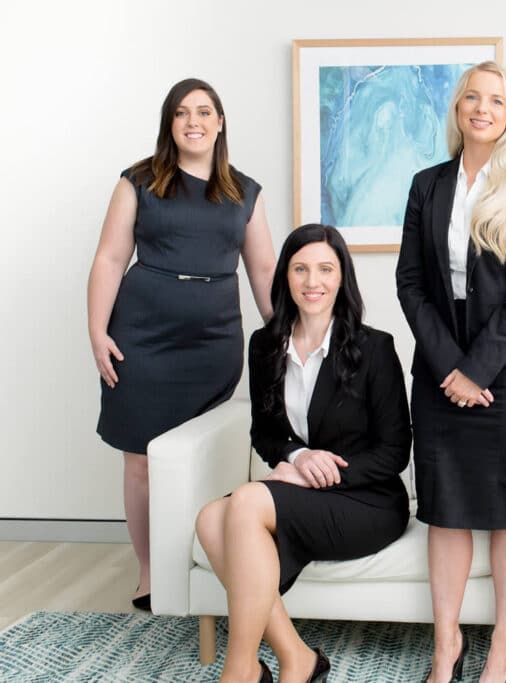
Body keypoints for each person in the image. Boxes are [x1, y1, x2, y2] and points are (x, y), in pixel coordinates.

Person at [395, 61, 506, 683]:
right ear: (458, 110)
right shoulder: (426, 184)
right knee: (446, 510)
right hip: (439, 371)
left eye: (495, 99)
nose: (482, 108)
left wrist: (479, 369)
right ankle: (447, 647)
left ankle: (502, 648)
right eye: (472, 97)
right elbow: (410, 282)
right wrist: (450, 368)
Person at [87, 78, 276, 610]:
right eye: (182, 113)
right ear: (170, 124)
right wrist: (97, 332)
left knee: (206, 454)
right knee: (142, 459)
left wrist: (287, 339)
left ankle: (206, 559)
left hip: (213, 343)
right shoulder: (138, 182)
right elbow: (108, 259)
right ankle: (151, 574)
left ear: (220, 123)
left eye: (204, 111)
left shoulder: (245, 191)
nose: (193, 121)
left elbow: (263, 271)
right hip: (140, 339)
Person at [195, 224, 412, 683]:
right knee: (211, 518)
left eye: (325, 269)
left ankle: (239, 671)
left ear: (341, 278)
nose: (312, 282)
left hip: (366, 500)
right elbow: (266, 433)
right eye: (300, 269)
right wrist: (296, 458)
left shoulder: (375, 348)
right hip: (304, 495)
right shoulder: (265, 345)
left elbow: (394, 452)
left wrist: (315, 475)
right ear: (286, 278)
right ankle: (296, 658)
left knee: (249, 500)